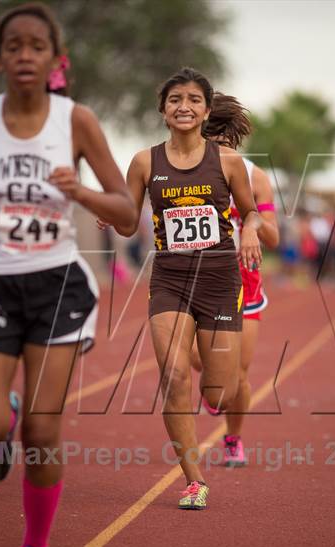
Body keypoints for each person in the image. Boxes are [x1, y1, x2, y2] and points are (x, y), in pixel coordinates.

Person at [0, 3, 136, 547]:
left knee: (41, 431)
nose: (25, 54)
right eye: (14, 45)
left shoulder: (75, 120)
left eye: (36, 46)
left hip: (56, 288)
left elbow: (125, 213)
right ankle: (0, 419)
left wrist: (81, 194)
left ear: (54, 58)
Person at [103, 67, 262, 510]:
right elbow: (125, 219)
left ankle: (212, 384)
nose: (183, 107)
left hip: (219, 280)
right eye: (175, 100)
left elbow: (251, 214)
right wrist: (108, 214)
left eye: (193, 100)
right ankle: (194, 480)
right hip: (170, 279)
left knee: (219, 391)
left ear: (206, 110)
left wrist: (249, 230)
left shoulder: (227, 162)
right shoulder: (143, 162)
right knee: (173, 378)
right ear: (163, 110)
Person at [190, 93, 279, 466]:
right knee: (199, 365)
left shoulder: (252, 175)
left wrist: (251, 223)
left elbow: (273, 236)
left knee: (238, 376)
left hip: (244, 286)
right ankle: (213, 382)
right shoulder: (184, 172)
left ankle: (233, 438)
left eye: (223, 141)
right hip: (193, 281)